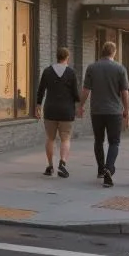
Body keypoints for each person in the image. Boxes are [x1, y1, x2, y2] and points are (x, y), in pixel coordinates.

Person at [84, 40, 129, 186]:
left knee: (98, 140)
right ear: (114, 52)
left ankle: (100, 169)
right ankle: (109, 169)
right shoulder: (120, 68)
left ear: (102, 52)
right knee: (114, 142)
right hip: (114, 111)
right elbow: (125, 92)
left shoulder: (92, 68)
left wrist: (80, 105)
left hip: (97, 111)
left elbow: (86, 90)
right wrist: (126, 109)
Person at [34, 44, 82, 177]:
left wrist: (38, 105)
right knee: (65, 139)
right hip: (66, 110)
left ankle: (50, 166)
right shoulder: (71, 73)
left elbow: (41, 90)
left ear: (57, 57)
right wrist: (78, 106)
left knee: (50, 138)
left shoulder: (47, 71)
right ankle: (62, 163)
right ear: (67, 57)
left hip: (50, 109)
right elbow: (75, 93)